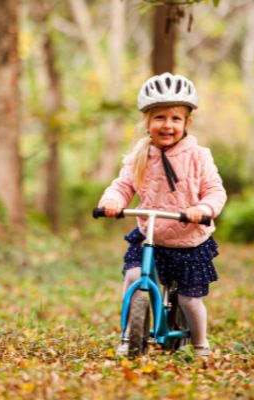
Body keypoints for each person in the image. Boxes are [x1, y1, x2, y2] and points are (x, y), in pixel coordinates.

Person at [98, 73, 227, 359]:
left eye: (175, 118)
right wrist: (111, 201)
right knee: (133, 277)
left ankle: (201, 344)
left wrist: (203, 210)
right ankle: (127, 336)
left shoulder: (199, 156)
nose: (167, 125)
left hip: (188, 239)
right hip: (151, 235)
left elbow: (215, 191)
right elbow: (123, 185)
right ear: (147, 122)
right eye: (159, 118)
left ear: (187, 123)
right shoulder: (139, 155)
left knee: (190, 300)